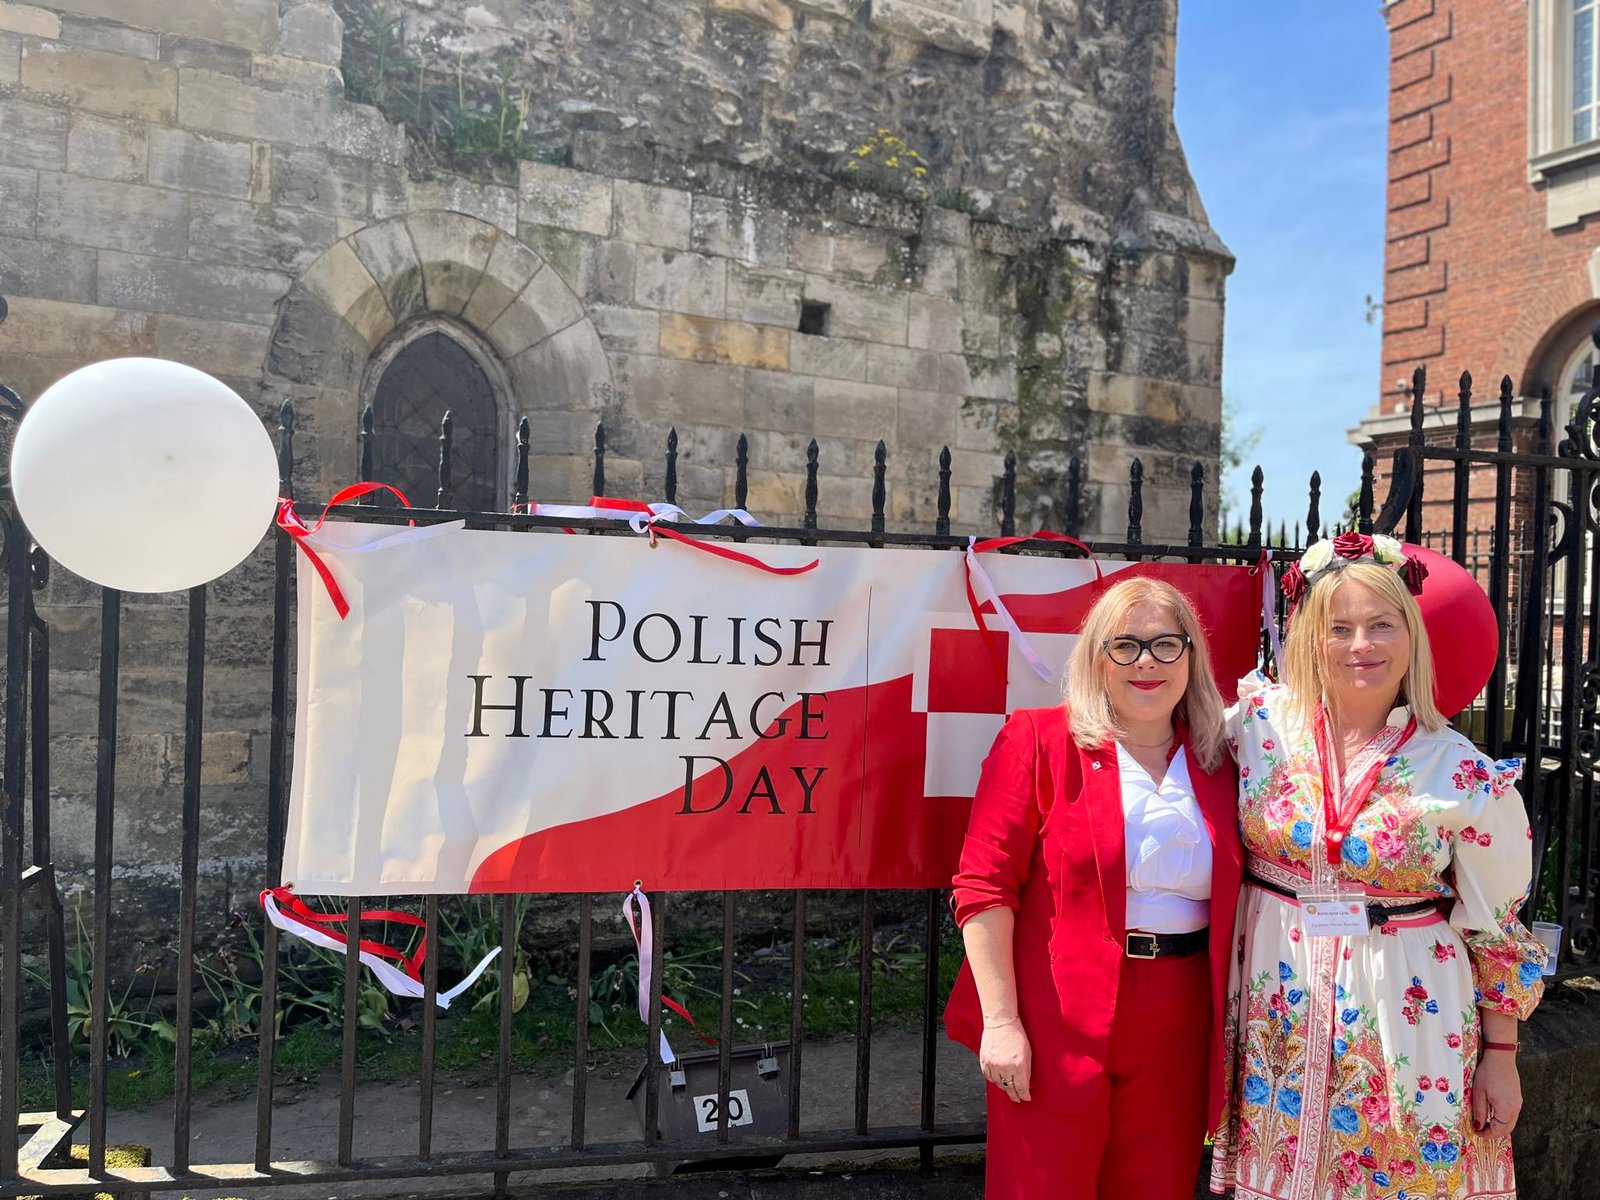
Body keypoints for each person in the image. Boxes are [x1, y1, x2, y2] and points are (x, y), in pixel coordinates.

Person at [1209, 533, 1546, 1200]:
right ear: (1311, 638)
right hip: (1280, 1008)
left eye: (1381, 624)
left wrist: (1502, 1058)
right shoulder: (1256, 727)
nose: (1361, 644)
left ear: (1412, 635)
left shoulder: (1463, 773)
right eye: (1339, 627)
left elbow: (1496, 930)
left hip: (1407, 1014)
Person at [943, 576, 1244, 1200]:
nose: (1146, 663)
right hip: (1055, 1014)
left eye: (1165, 644)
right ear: (1096, 658)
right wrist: (1001, 1022)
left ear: (1192, 655)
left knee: (1156, 1188)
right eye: (1125, 646)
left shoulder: (1223, 760)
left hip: (1181, 1016)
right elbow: (983, 886)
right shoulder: (1038, 739)